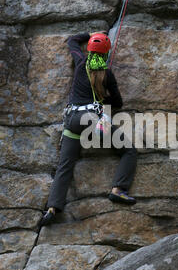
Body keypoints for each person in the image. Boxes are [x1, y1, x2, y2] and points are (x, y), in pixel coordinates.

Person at [39, 31, 137, 227]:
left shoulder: (80, 62)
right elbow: (118, 102)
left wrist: (89, 34)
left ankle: (52, 208)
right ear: (106, 53)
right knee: (128, 150)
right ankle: (118, 189)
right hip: (92, 122)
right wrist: (102, 98)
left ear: (89, 49)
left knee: (65, 166)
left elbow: (72, 41)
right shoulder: (107, 74)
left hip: (72, 120)